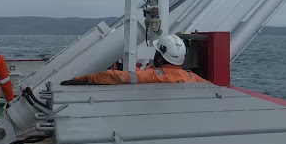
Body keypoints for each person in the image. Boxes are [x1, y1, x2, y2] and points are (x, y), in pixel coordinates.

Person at [61, 34, 207, 85]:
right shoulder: (193, 78)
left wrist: (85, 78)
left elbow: (117, 77)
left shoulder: (153, 76)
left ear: (160, 58)